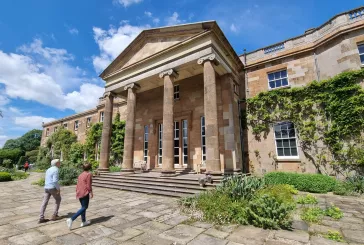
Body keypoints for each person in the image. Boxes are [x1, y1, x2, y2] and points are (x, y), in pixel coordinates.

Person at [66, 163, 93, 230]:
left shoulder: (80, 174)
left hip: (79, 192)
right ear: (89, 168)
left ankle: (83, 221)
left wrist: (77, 191)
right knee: (85, 207)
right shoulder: (88, 174)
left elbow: (78, 184)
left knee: (83, 207)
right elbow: (88, 185)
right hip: (84, 192)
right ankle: (71, 219)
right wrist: (91, 192)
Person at [39, 159, 62, 223]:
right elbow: (55, 181)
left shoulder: (48, 169)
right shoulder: (56, 169)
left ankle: (41, 217)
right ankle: (55, 215)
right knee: (58, 199)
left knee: (44, 202)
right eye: (59, 162)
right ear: (56, 163)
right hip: (52, 187)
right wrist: (58, 189)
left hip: (46, 187)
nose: (60, 163)